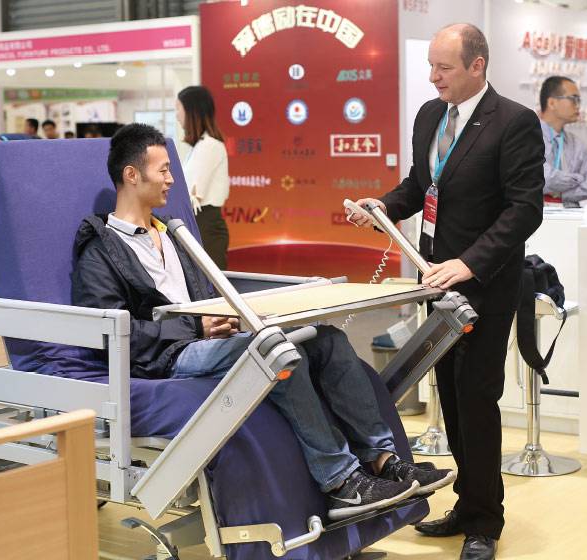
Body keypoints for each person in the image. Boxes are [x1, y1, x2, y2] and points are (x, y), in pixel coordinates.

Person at [71, 123, 455, 521]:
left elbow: (209, 295)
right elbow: (112, 334)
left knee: (327, 341)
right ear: (132, 175)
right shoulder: (101, 251)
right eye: (163, 170)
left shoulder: (172, 234)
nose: (171, 179)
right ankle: (341, 481)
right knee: (276, 351)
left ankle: (383, 459)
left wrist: (228, 318)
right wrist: (196, 328)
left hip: (209, 337)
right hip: (168, 355)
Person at [350, 23, 544, 560]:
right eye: (431, 67)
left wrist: (469, 262)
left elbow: (525, 209)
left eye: (444, 67)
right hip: (434, 279)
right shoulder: (430, 116)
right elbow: (421, 185)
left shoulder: (514, 122)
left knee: (477, 398)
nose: (433, 77)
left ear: (477, 65)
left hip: (484, 283)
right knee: (451, 399)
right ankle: (466, 502)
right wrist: (384, 206)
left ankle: (485, 520)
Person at [176, 86, 230, 269]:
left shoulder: (209, 146)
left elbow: (194, 194)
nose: (177, 115)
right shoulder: (200, 146)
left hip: (205, 225)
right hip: (199, 225)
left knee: (210, 284)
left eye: (179, 108)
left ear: (192, 111)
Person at [537, 76, 587, 206]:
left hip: (571, 213)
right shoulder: (529, 137)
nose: (578, 106)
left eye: (579, 101)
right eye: (573, 99)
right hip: (538, 214)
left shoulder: (577, 143)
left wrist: (561, 195)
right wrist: (579, 178)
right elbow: (542, 178)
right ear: (552, 103)